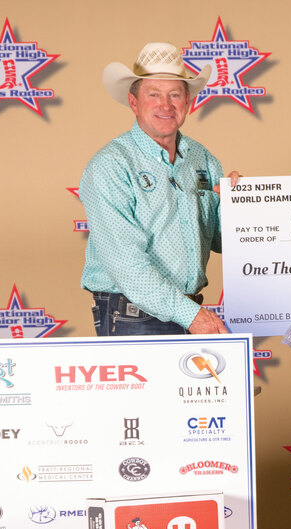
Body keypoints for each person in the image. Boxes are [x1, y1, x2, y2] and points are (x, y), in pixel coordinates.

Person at [80, 42, 239, 336]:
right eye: (154, 94)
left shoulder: (202, 158)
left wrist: (239, 210)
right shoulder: (111, 165)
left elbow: (221, 240)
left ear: (188, 101)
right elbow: (125, 261)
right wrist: (191, 316)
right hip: (132, 315)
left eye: (174, 95)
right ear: (134, 102)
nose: (165, 106)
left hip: (189, 311)